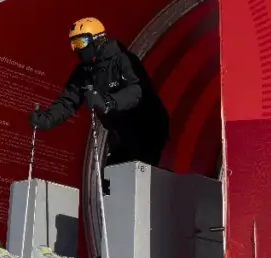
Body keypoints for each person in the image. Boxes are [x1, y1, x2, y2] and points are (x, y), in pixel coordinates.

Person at [28, 17, 170, 168]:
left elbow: (136, 91)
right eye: (73, 44)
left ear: (96, 39)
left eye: (81, 42)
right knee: (111, 179)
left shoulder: (122, 60)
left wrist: (108, 102)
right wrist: (46, 119)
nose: (77, 49)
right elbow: (67, 102)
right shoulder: (84, 72)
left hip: (148, 128)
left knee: (135, 175)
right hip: (121, 135)